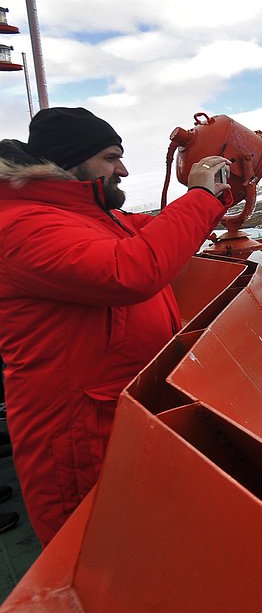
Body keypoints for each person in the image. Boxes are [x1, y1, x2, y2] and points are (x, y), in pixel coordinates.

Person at [0, 107, 231, 545]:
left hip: (114, 416)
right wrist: (200, 197)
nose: (122, 169)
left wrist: (216, 201)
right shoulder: (23, 227)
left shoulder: (85, 217)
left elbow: (152, 232)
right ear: (69, 161)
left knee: (140, 544)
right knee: (99, 555)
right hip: (78, 441)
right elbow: (132, 270)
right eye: (110, 157)